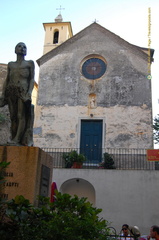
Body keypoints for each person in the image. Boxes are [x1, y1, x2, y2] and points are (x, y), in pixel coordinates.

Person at [0, 42, 35, 146]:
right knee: (13, 117)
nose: (22, 48)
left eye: (24, 47)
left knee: (21, 115)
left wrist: (29, 92)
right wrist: (3, 93)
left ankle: (17, 139)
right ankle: (14, 137)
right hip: (11, 91)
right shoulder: (11, 64)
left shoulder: (29, 63)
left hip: (23, 91)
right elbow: (7, 79)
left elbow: (32, 79)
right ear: (15, 50)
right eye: (20, 46)